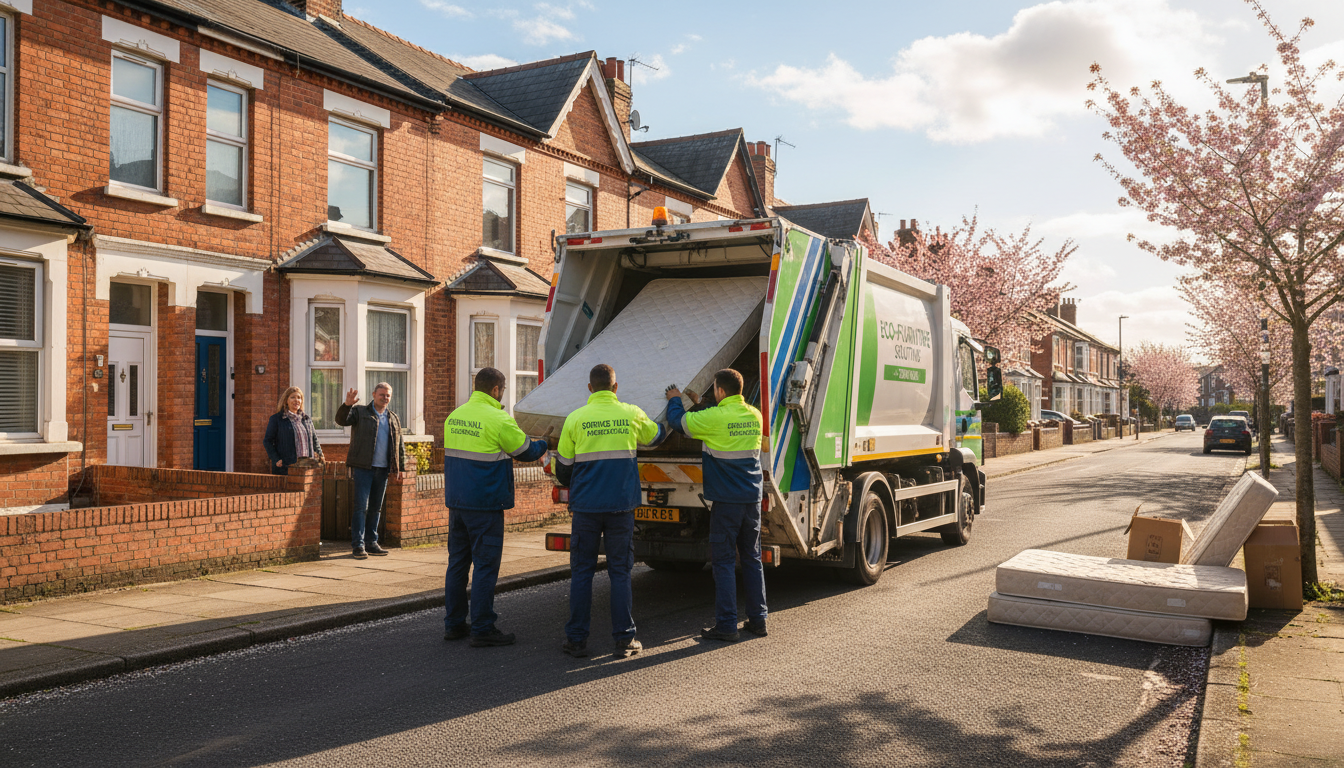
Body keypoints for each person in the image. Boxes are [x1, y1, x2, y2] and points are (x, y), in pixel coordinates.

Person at [553, 364, 664, 659]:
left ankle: (576, 640)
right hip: (621, 507)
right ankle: (624, 640)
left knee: (581, 573)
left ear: (590, 388)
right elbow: (656, 437)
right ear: (615, 387)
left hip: (586, 509)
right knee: (619, 572)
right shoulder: (631, 413)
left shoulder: (575, 419)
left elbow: (563, 470)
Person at [442, 367, 548, 648]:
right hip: (485, 504)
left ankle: (454, 624)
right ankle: (482, 627)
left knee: (457, 565)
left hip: (457, 503)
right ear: (496, 390)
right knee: (486, 567)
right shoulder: (499, 419)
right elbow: (526, 451)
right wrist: (546, 442)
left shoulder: (455, 416)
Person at [665, 369, 768, 641]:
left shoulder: (713, 419)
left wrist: (675, 398)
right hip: (752, 500)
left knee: (722, 563)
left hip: (726, 502)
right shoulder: (754, 415)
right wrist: (701, 402)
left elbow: (678, 422)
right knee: (752, 558)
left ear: (720, 391)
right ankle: (758, 620)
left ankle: (726, 625)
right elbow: (720, 417)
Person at [335, 383, 406, 560]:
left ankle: (371, 542)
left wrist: (400, 467)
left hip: (383, 470)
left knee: (376, 508)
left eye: (388, 395)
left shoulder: (393, 417)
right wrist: (347, 405)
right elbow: (341, 420)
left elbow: (400, 445)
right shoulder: (360, 412)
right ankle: (358, 545)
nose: (385, 398)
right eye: (382, 394)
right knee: (361, 507)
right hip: (363, 467)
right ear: (374, 394)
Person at [263, 386, 323, 475]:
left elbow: (314, 439)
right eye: (292, 397)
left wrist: (320, 454)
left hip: (307, 467)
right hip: (286, 467)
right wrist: (276, 459)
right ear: (286, 400)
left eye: (299, 398)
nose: (296, 400)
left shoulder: (306, 419)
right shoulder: (277, 419)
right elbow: (267, 441)